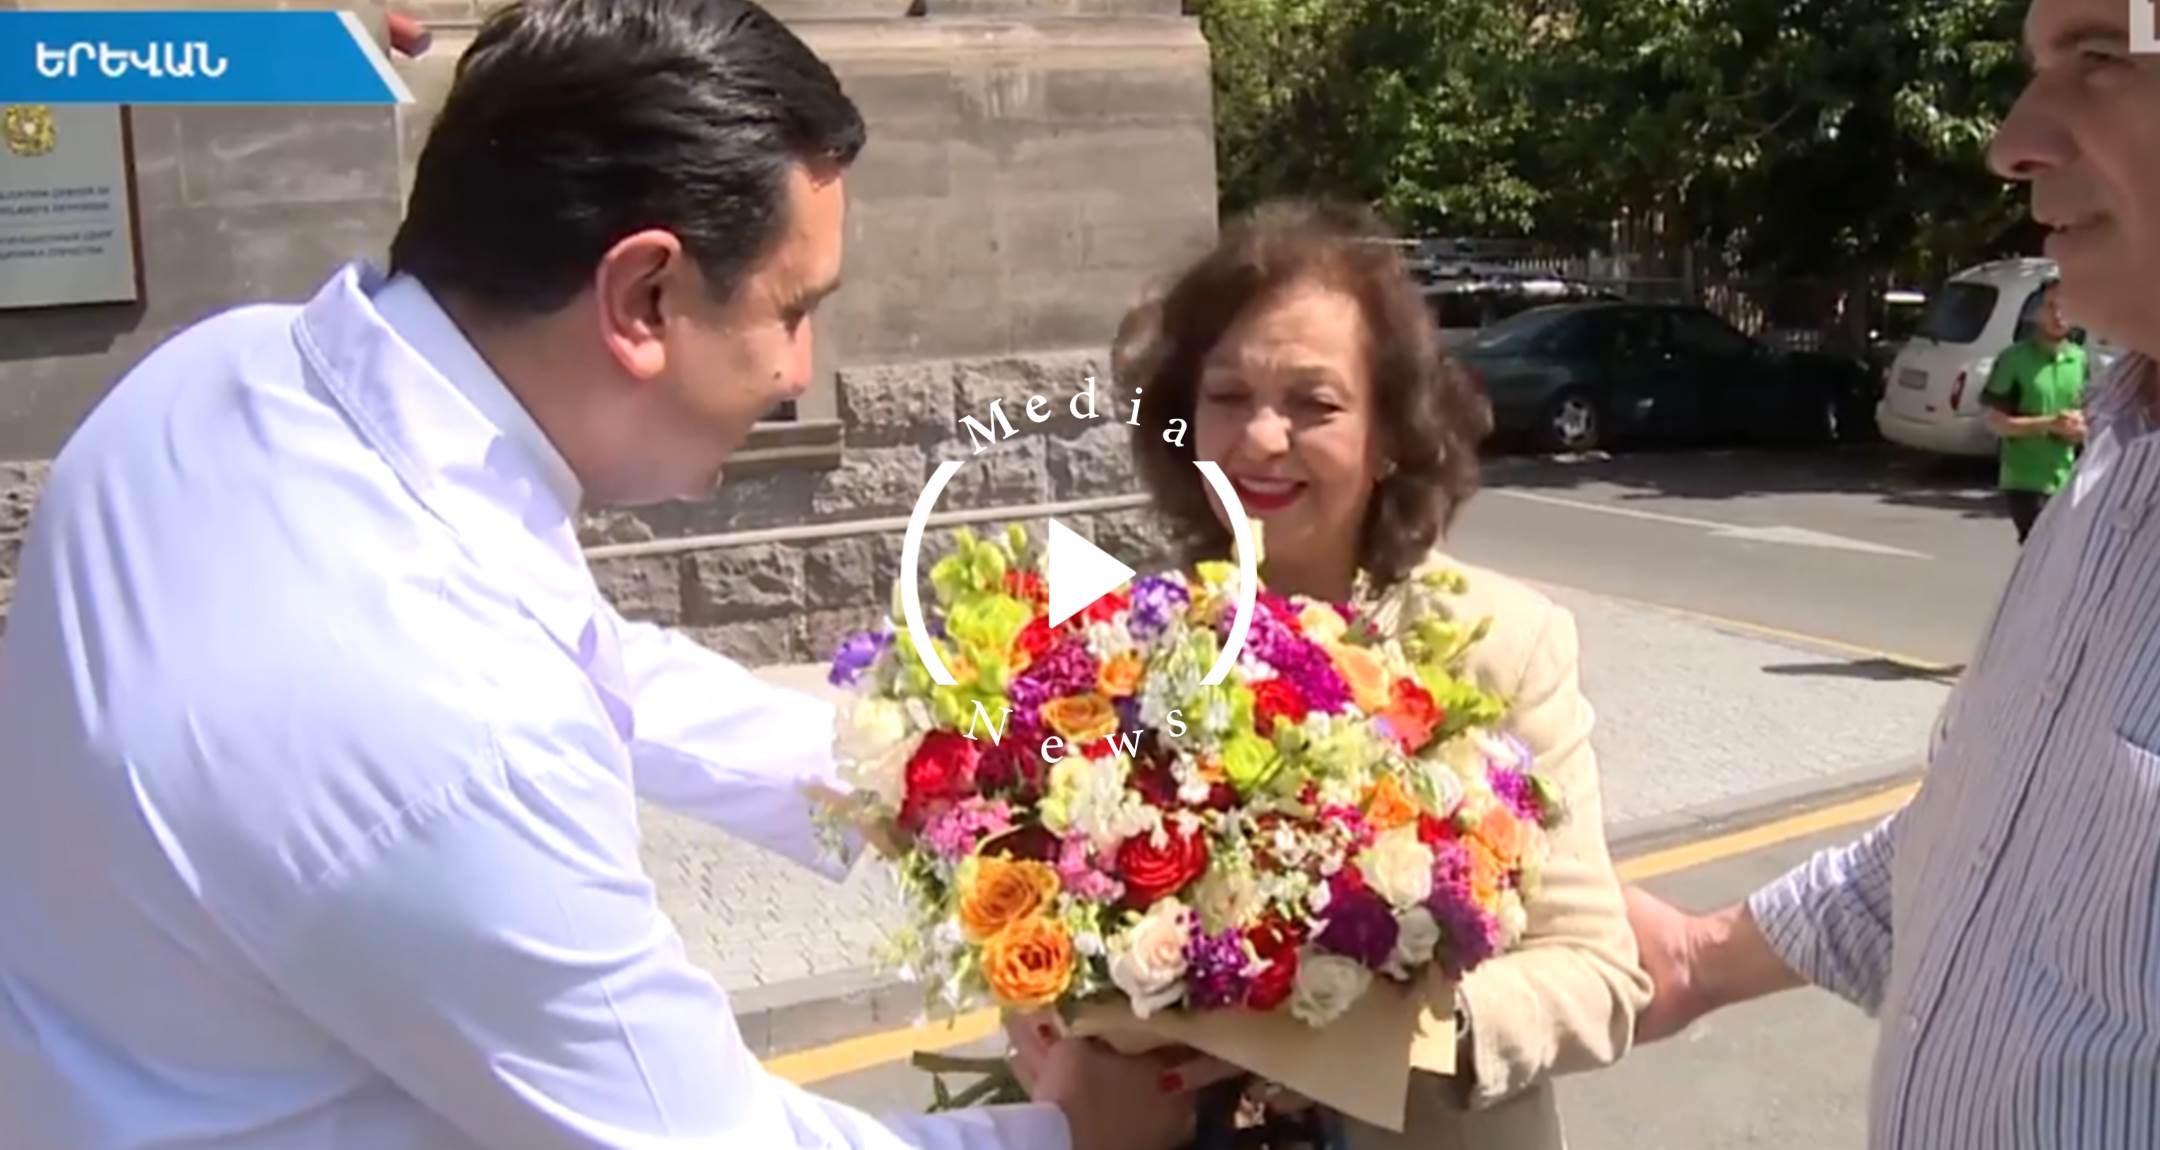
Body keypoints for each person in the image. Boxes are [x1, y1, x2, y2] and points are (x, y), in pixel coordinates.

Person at [0, 2, 1212, 1147]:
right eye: (794, 309)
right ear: (643, 296)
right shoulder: (456, 731)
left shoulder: (225, 378)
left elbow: (590, 657)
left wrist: (929, 779)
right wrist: (1068, 1132)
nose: (799, 370)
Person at [1620, 0, 2160, 1144]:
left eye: (2102, 55)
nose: (2011, 141)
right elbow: (1990, 838)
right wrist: (1701, 957)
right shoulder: (2117, 460)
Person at [1118, 199, 1652, 1149]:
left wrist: (1366, 1035)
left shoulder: (1500, 644)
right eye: (1228, 397)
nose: (1260, 440)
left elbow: (1596, 977)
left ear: (1392, 435)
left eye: (1314, 404)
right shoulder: (1125, 647)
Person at [1980, 279, 2089, 543]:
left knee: (2067, 552)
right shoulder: (2013, 359)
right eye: (2051, 306)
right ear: (2036, 312)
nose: (2058, 315)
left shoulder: (2080, 360)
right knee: (2040, 548)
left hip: (2069, 479)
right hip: (2026, 480)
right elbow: (1995, 423)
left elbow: (2089, 418)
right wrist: (2049, 424)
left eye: (2065, 307)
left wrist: (2081, 430)